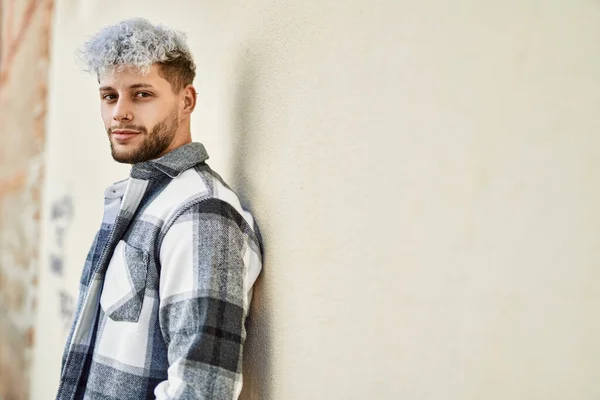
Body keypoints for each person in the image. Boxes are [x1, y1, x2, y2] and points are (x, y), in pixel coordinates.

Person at [56, 18, 263, 400]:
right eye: (109, 96)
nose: (119, 112)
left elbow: (201, 389)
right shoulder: (146, 201)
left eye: (141, 94)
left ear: (187, 101)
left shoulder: (201, 211)